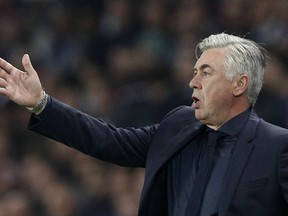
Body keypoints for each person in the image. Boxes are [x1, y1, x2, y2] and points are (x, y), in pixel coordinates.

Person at [0, 33, 288, 216]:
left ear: (239, 84)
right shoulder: (179, 124)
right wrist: (41, 103)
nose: (193, 82)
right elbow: (110, 141)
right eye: (195, 72)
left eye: (206, 73)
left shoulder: (277, 147)